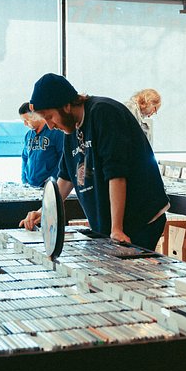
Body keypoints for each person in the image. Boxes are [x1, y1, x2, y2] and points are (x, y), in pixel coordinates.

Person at [19, 74, 169, 250]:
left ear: (66, 106)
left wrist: (116, 228)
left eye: (50, 117)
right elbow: (66, 179)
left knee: (127, 274)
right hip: (111, 225)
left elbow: (117, 173)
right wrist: (44, 212)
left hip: (139, 220)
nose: (50, 126)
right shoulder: (70, 130)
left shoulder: (103, 112)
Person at [19, 102, 64, 187]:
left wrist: (53, 179)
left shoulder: (55, 132)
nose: (25, 124)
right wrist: (24, 179)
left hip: (50, 186)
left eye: (26, 120)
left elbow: (62, 158)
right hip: (30, 185)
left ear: (36, 116)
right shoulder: (28, 135)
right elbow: (24, 157)